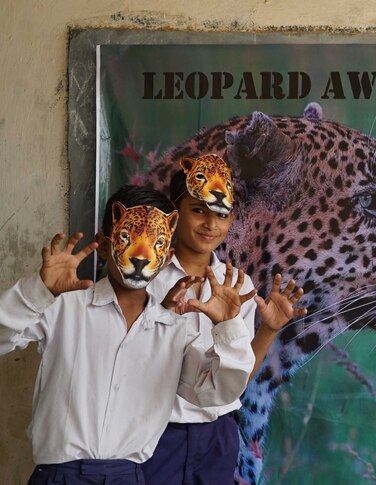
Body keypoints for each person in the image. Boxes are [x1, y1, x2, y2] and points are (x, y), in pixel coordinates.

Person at [0, 185, 257, 485]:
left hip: (131, 476)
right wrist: (38, 292)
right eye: (128, 238)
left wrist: (228, 328)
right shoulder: (63, 308)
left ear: (167, 255)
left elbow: (215, 392)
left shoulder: (172, 329)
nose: (140, 255)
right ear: (104, 245)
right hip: (60, 475)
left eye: (155, 244)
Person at [142, 154, 306, 485]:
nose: (210, 224)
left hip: (218, 435)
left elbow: (237, 381)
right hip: (157, 431)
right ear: (175, 215)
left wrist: (270, 329)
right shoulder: (147, 278)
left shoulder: (239, 286)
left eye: (221, 213)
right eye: (198, 210)